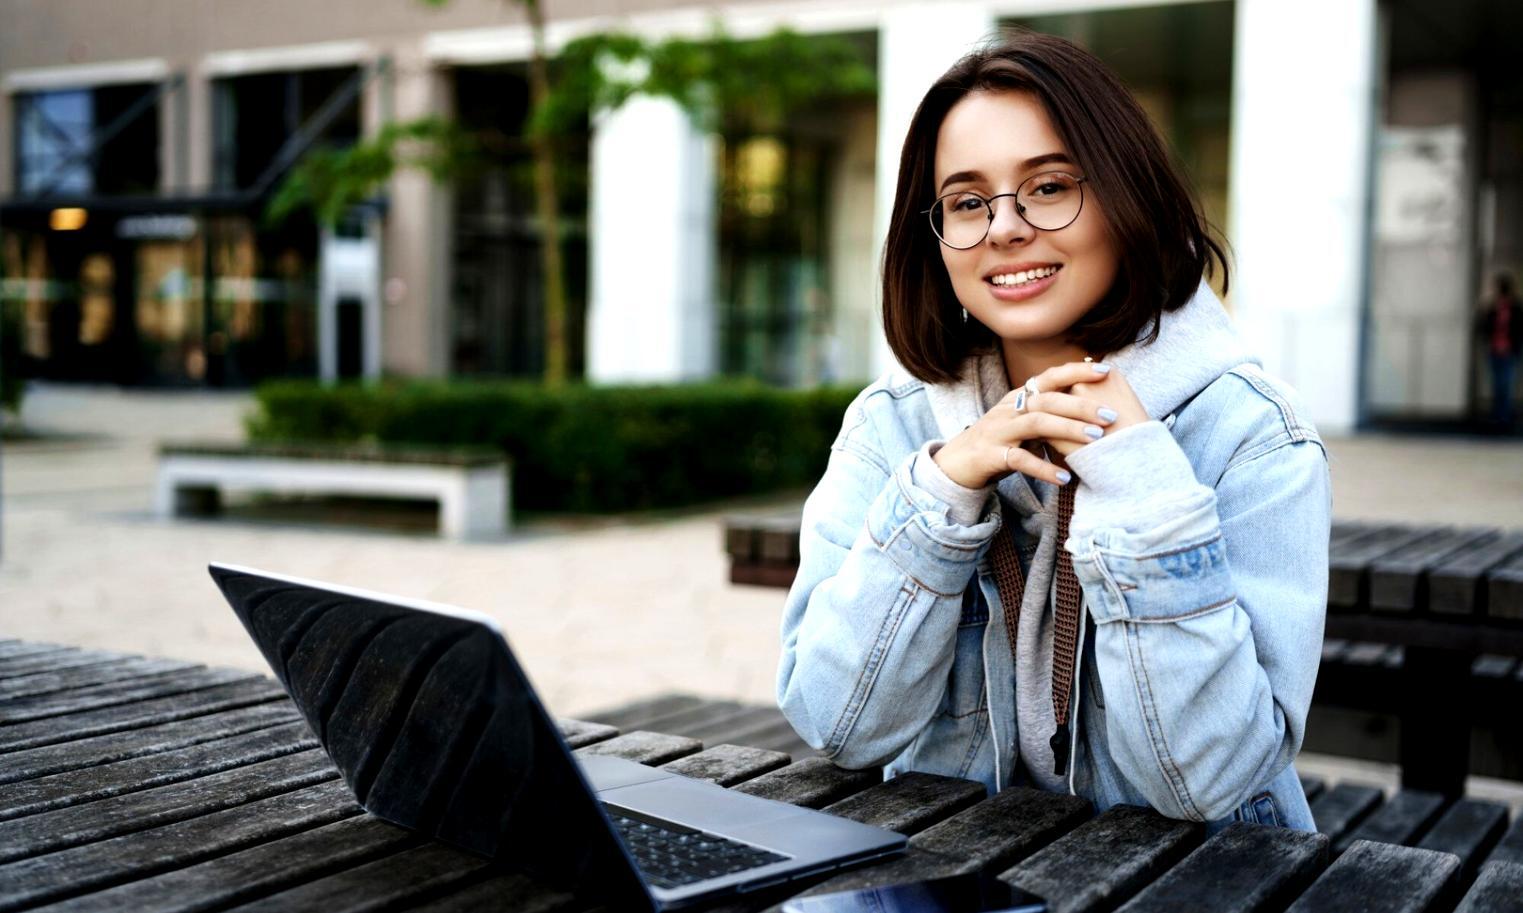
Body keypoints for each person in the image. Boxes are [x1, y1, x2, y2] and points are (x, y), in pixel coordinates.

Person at [776, 32, 1330, 833]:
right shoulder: (890, 425)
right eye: (967, 201)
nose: (1003, 228)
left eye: (1047, 186)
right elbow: (836, 724)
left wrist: (1143, 489)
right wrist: (942, 492)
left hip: (1197, 879)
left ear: (1126, 198)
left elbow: (1207, 782)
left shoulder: (1253, 433)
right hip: (958, 865)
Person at [1478, 273, 1523, 426]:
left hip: (1510, 351)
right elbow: (1483, 326)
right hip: (1495, 350)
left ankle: (1504, 416)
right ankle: (1498, 415)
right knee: (1497, 384)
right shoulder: (1492, 307)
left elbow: (1519, 328)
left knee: (1506, 384)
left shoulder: (1516, 307)